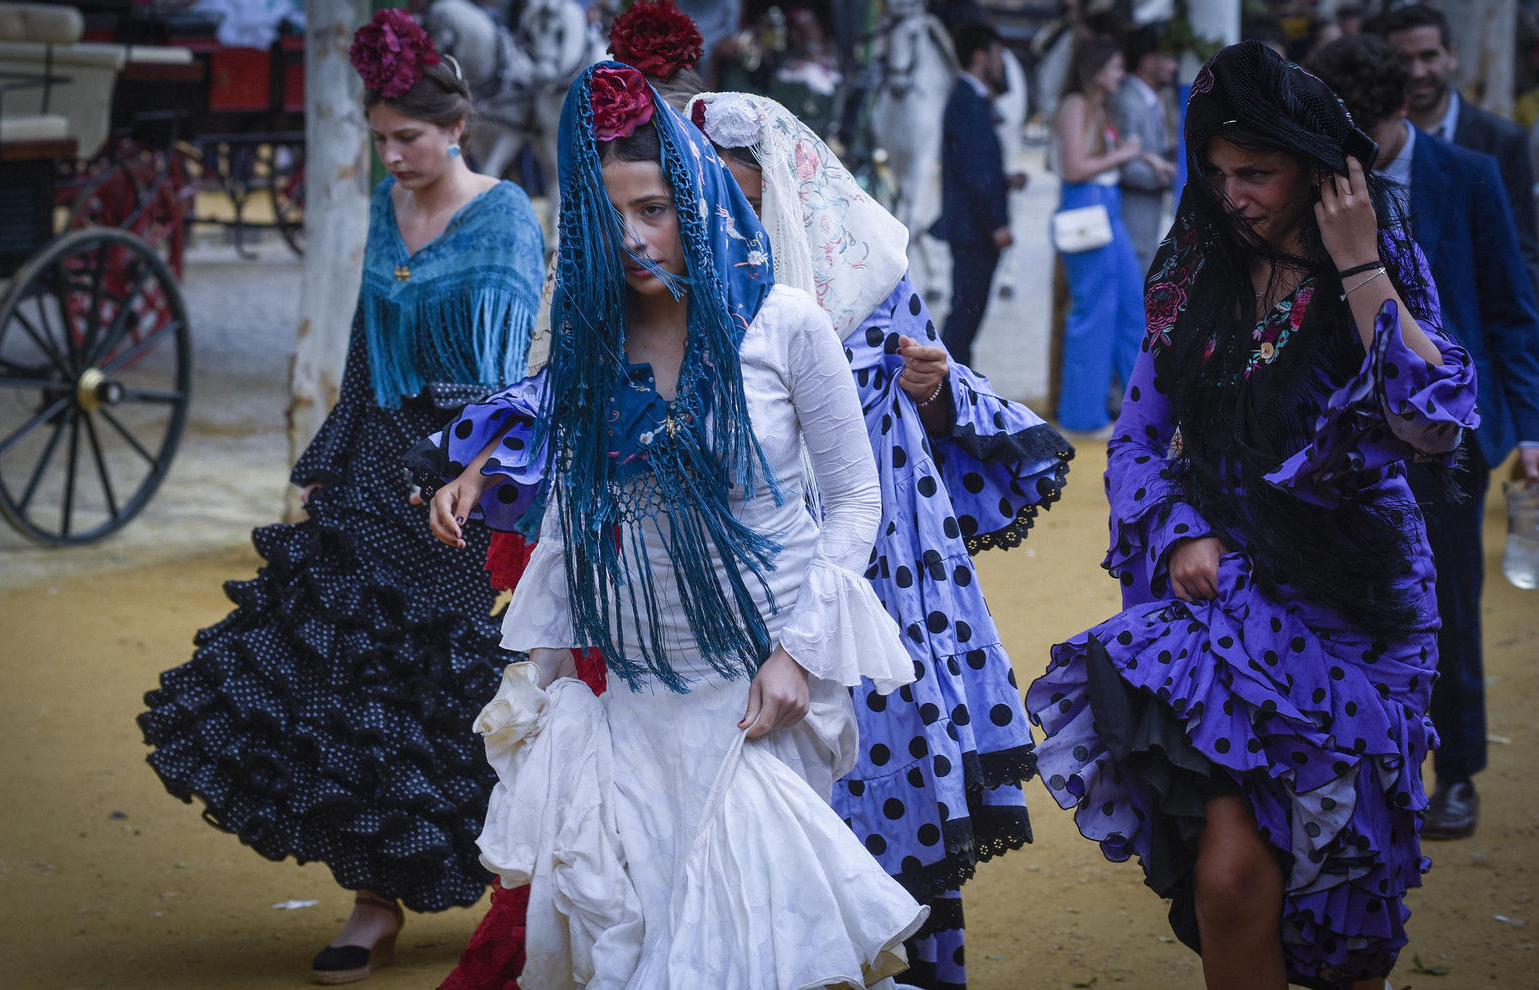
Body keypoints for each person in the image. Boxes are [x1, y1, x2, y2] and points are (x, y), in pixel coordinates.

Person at [418, 87, 1074, 990]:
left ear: (699, 204)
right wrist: (554, 677)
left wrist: (797, 654)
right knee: (640, 939)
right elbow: (577, 505)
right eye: (610, 214)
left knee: (750, 947)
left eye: (653, 209)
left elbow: (851, 501)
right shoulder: (589, 338)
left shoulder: (787, 324)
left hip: (760, 690)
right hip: (630, 695)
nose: (633, 236)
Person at [1028, 41, 1478, 990]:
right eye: (1218, 172)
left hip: (1362, 617)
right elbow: (1139, 441)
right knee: (1232, 877)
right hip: (1229, 605)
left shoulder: (1379, 270)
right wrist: (1183, 526)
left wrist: (1359, 266)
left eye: (1258, 174)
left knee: (1339, 893)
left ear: (1323, 174)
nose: (1232, 194)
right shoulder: (1195, 277)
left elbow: (1432, 426)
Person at [135, 10, 546, 985]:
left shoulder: (504, 215)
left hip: (461, 478)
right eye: (380, 141)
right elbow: (366, 347)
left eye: (408, 138)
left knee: (440, 693)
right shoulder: (380, 206)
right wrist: (326, 460)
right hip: (374, 460)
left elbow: (512, 376)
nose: (393, 157)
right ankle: (372, 903)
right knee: (328, 679)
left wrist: (472, 474)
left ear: (456, 127)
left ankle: (510, 877)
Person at [689, 90, 1072, 989]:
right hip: (728, 586)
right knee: (750, 804)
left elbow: (944, 390)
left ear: (784, 188)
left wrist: (936, 392)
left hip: (878, 578)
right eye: (703, 196)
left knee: (885, 776)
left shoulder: (864, 273)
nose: (727, 220)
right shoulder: (673, 288)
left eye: (743, 197)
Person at [1307, 35, 1539, 841]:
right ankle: (1353, 772)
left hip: (1453, 433)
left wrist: (1532, 426)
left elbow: (1510, 306)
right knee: (1337, 602)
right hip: (1338, 433)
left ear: (1400, 112)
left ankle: (1460, 774)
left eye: (1365, 133)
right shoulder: (1313, 177)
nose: (1352, 154)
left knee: (1448, 605)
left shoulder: (1469, 175)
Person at [1376, 4, 1539, 283]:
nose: (1417, 72)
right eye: (1404, 60)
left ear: (1451, 56)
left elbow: (1522, 251)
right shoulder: (1378, 140)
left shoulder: (1501, 140)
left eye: (1428, 56)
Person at [1050, 37, 1151, 435]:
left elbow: (1100, 161)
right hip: (1084, 206)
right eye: (1115, 67)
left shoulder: (1099, 106)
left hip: (1105, 206)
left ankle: (1141, 410)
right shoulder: (1075, 104)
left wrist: (1144, 158)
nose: (1120, 74)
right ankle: (1082, 416)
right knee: (1094, 312)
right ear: (1095, 71)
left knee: (1131, 306)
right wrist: (1125, 155)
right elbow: (1075, 167)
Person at [932, 22, 1012, 367]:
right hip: (974, 230)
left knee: (967, 311)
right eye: (997, 54)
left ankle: (952, 381)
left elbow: (976, 167)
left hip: (971, 226)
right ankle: (947, 383)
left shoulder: (968, 99)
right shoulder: (968, 102)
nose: (1002, 63)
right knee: (965, 314)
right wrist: (997, 222)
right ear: (980, 57)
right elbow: (976, 173)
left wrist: (1005, 180)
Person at [1110, 26, 1179, 272]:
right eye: (1170, 59)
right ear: (1148, 62)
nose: (1174, 67)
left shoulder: (1153, 98)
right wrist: (1176, 176)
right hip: (1133, 214)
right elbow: (1127, 166)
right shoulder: (1128, 100)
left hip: (1146, 216)